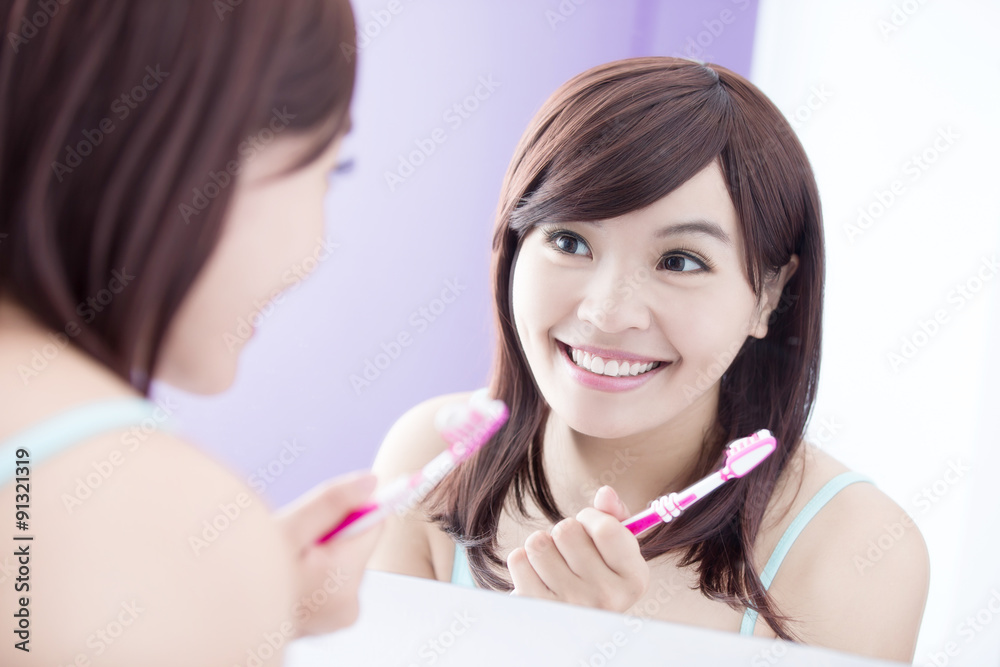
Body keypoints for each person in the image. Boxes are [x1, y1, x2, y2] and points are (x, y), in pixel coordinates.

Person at [368, 57, 929, 661]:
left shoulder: (857, 551)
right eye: (569, 241)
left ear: (769, 293)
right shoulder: (434, 460)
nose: (609, 313)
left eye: (680, 261)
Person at [0, 1, 380, 665]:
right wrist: (217, 593)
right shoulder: (151, 525)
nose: (315, 248)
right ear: (197, 147)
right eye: (330, 166)